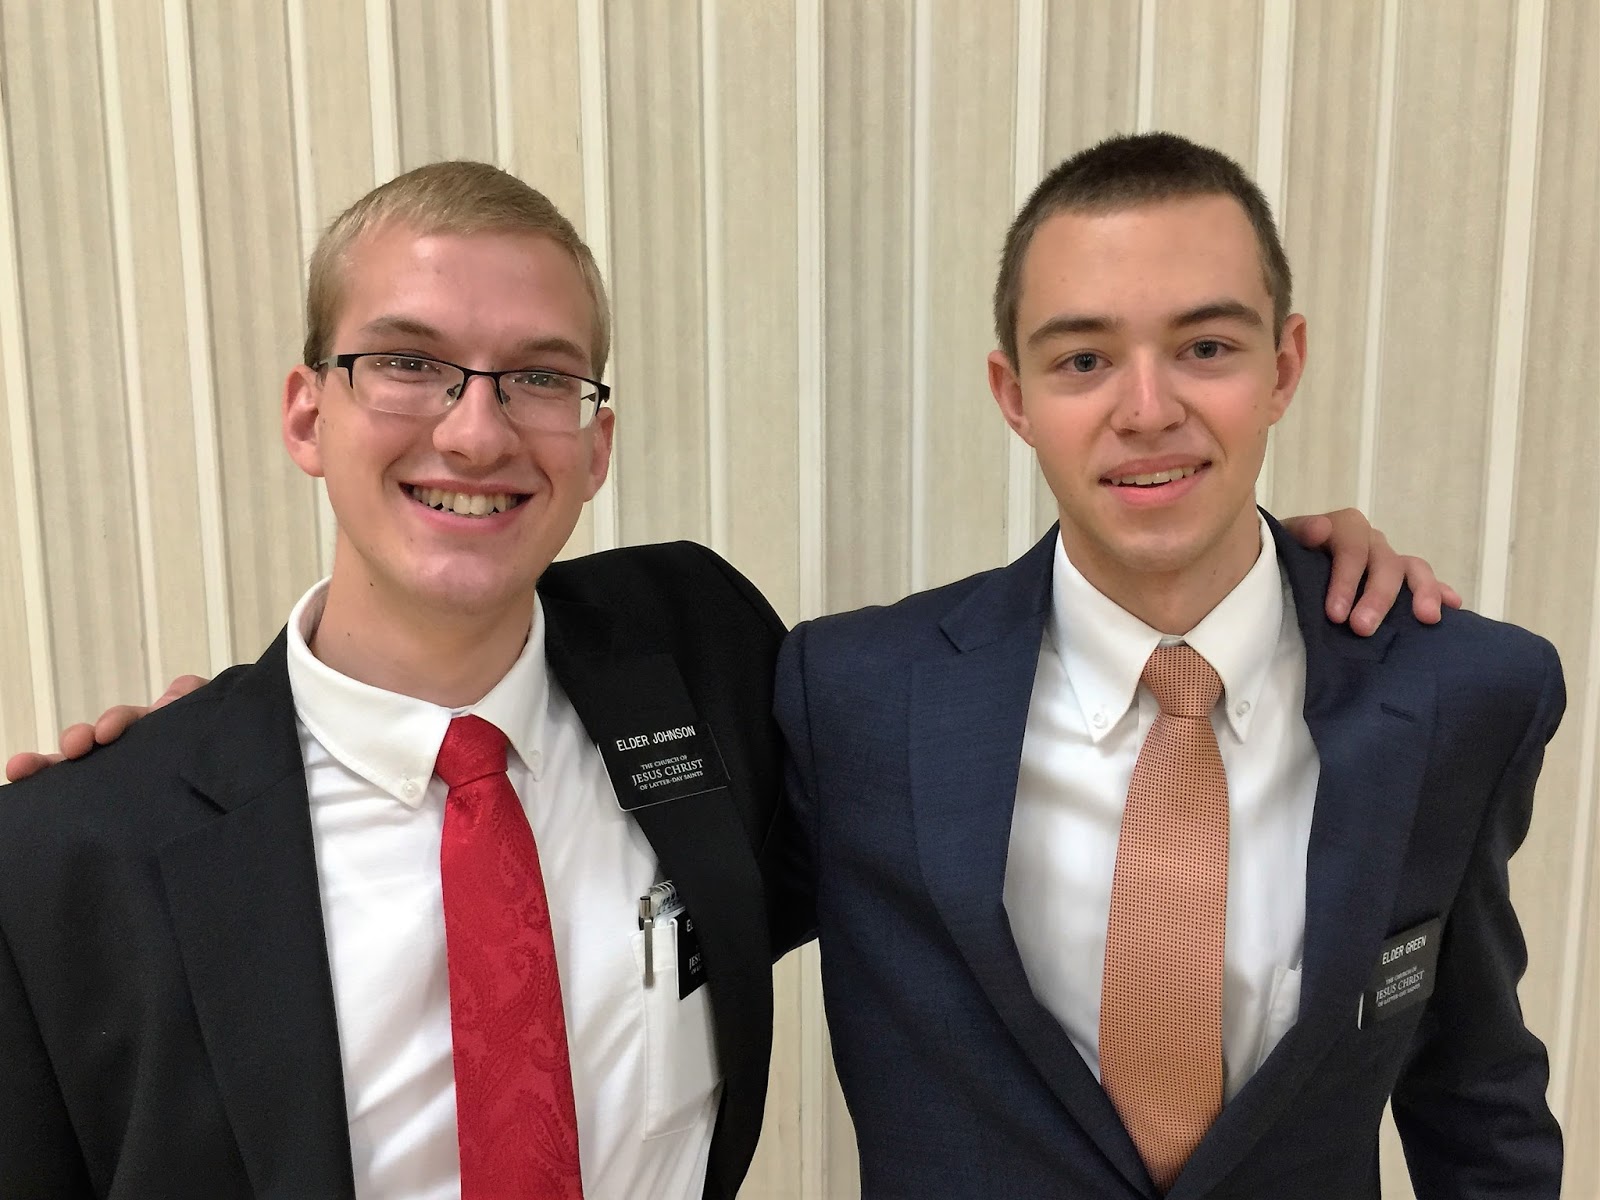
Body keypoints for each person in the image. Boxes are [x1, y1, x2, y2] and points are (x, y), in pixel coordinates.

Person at [1, 159, 1451, 1199]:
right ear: (305, 412)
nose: (476, 430)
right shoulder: (80, 858)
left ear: (597, 443)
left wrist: (1277, 580)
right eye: (408, 363)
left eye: (540, 376)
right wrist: (150, 776)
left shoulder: (695, 660)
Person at [773, 132, 1562, 1198]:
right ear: (1013, 394)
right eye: (1083, 360)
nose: (1147, 411)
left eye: (1206, 347)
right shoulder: (850, 698)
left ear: (1283, 366)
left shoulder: (1457, 694)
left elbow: (1476, 1096)